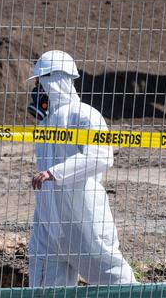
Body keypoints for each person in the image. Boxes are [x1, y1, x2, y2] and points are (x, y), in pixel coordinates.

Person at [27, 50, 137, 287]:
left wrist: (55, 173)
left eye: (39, 83)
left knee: (116, 282)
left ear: (54, 81)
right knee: (44, 287)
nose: (36, 91)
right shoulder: (45, 125)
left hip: (82, 219)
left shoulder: (85, 114)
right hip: (49, 224)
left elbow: (101, 156)